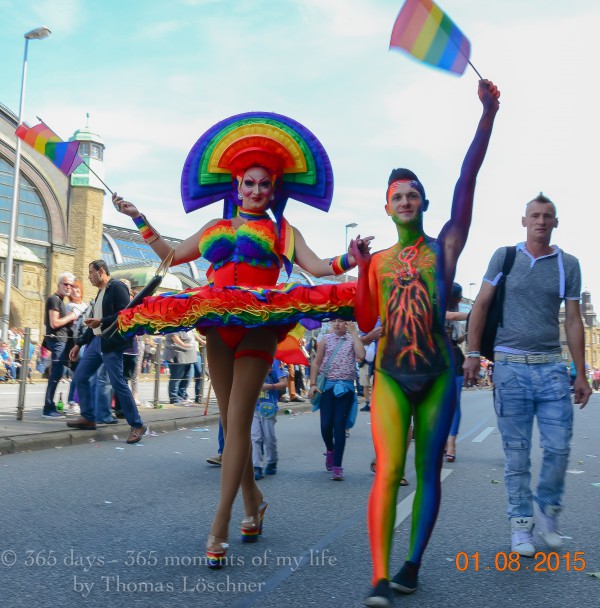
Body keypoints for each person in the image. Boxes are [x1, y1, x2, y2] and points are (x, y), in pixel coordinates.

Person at [113, 112, 366, 568]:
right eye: (248, 183)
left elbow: (319, 268)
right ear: (236, 185)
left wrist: (353, 256)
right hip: (215, 326)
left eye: (264, 185)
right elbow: (172, 257)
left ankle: (220, 524)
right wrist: (140, 220)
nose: (255, 191)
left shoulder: (285, 232)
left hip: (259, 328)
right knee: (233, 427)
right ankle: (254, 502)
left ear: (274, 189)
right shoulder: (214, 228)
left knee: (240, 421)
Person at [352, 80, 500, 605]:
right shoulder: (378, 262)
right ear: (388, 207)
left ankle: (411, 565)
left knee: (426, 470)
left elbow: (468, 178)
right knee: (388, 471)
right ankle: (378, 576)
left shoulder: (446, 248)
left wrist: (487, 116)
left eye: (413, 194)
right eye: (398, 196)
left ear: (423, 203)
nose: (406, 200)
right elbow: (367, 318)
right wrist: (357, 263)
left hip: (437, 375)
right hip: (391, 374)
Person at [464, 192, 591, 557]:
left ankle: (548, 512)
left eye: (547, 215)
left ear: (555, 222)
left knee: (558, 448)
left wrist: (580, 374)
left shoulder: (568, 264)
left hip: (552, 369)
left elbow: (572, 319)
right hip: (510, 369)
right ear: (524, 221)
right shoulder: (505, 257)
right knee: (516, 454)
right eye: (534, 215)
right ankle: (521, 525)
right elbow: (482, 306)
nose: (540, 220)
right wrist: (473, 353)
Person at [67, 260, 146, 444]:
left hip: (111, 342)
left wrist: (101, 322)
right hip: (96, 341)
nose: (89, 277)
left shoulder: (117, 287)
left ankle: (137, 424)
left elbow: (126, 314)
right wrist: (79, 344)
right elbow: (93, 323)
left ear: (101, 271)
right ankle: (88, 418)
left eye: (91, 272)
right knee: (80, 376)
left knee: (118, 383)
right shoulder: (101, 291)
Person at [309, 320, 365, 480]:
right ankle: (330, 450)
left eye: (342, 321)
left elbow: (361, 355)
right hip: (327, 387)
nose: (338, 324)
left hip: (345, 389)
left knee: (339, 427)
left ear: (348, 323)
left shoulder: (353, 338)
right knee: (326, 425)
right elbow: (316, 363)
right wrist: (313, 384)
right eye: (335, 321)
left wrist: (354, 333)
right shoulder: (326, 339)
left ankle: (337, 466)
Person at [42, 272, 78, 418]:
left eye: (71, 284)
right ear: (59, 285)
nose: (69, 287)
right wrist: (70, 316)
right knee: (55, 375)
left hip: (60, 341)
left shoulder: (60, 301)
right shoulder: (54, 300)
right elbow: (54, 323)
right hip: (57, 341)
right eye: (66, 284)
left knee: (57, 374)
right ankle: (48, 408)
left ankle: (50, 407)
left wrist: (69, 320)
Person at [251, 359, 288, 480]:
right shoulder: (248, 361)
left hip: (268, 407)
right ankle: (257, 466)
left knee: (269, 438)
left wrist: (269, 386)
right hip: (252, 406)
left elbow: (284, 383)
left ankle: (272, 461)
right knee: (255, 437)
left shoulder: (275, 361)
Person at [444, 283, 468, 462]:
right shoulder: (436, 307)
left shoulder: (457, 317)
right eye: (459, 298)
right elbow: (449, 315)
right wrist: (477, 313)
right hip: (436, 358)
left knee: (455, 403)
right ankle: (444, 440)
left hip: (454, 357)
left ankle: (451, 442)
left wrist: (465, 335)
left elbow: (457, 339)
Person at [163, 331, 197, 404]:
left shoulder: (188, 327)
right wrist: (184, 345)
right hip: (177, 354)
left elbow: (194, 335)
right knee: (176, 377)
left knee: (187, 377)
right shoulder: (173, 326)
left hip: (189, 355)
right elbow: (174, 336)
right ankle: (174, 398)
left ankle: (182, 396)